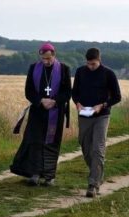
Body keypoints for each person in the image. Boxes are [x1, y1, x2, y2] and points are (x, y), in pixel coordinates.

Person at [10, 43, 72, 186]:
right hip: (38, 111)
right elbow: (29, 91)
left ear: (54, 55)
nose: (46, 61)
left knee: (51, 143)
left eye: (49, 58)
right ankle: (35, 174)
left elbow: (68, 92)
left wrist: (54, 101)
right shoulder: (33, 69)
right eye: (44, 59)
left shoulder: (64, 69)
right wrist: (40, 100)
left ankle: (49, 176)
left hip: (55, 113)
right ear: (40, 57)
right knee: (35, 142)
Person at [72, 48, 121, 198]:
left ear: (99, 60)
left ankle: (93, 184)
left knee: (98, 149)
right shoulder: (80, 72)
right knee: (85, 147)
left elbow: (117, 97)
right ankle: (97, 173)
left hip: (102, 116)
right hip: (84, 115)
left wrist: (103, 105)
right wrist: (77, 104)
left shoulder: (109, 74)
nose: (90, 67)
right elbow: (74, 92)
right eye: (88, 64)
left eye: (93, 64)